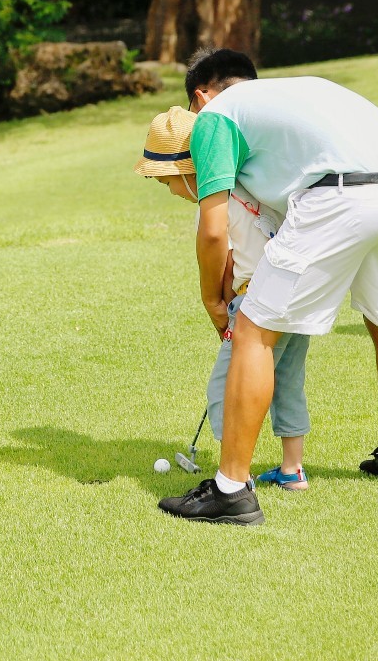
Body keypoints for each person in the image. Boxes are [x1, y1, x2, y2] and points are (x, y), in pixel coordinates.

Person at [157, 50, 378, 526]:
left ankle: (230, 491)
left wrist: (212, 298)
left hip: (342, 194)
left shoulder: (215, 118)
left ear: (200, 96)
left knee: (253, 331)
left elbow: (213, 229)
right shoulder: (290, 93)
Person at [134, 106, 314, 489]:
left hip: (256, 303)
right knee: (288, 380)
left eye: (166, 181)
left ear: (187, 172)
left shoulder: (212, 205)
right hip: (299, 295)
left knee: (226, 388)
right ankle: (291, 469)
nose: (168, 191)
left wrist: (224, 308)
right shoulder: (254, 186)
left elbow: (228, 263)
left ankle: (235, 476)